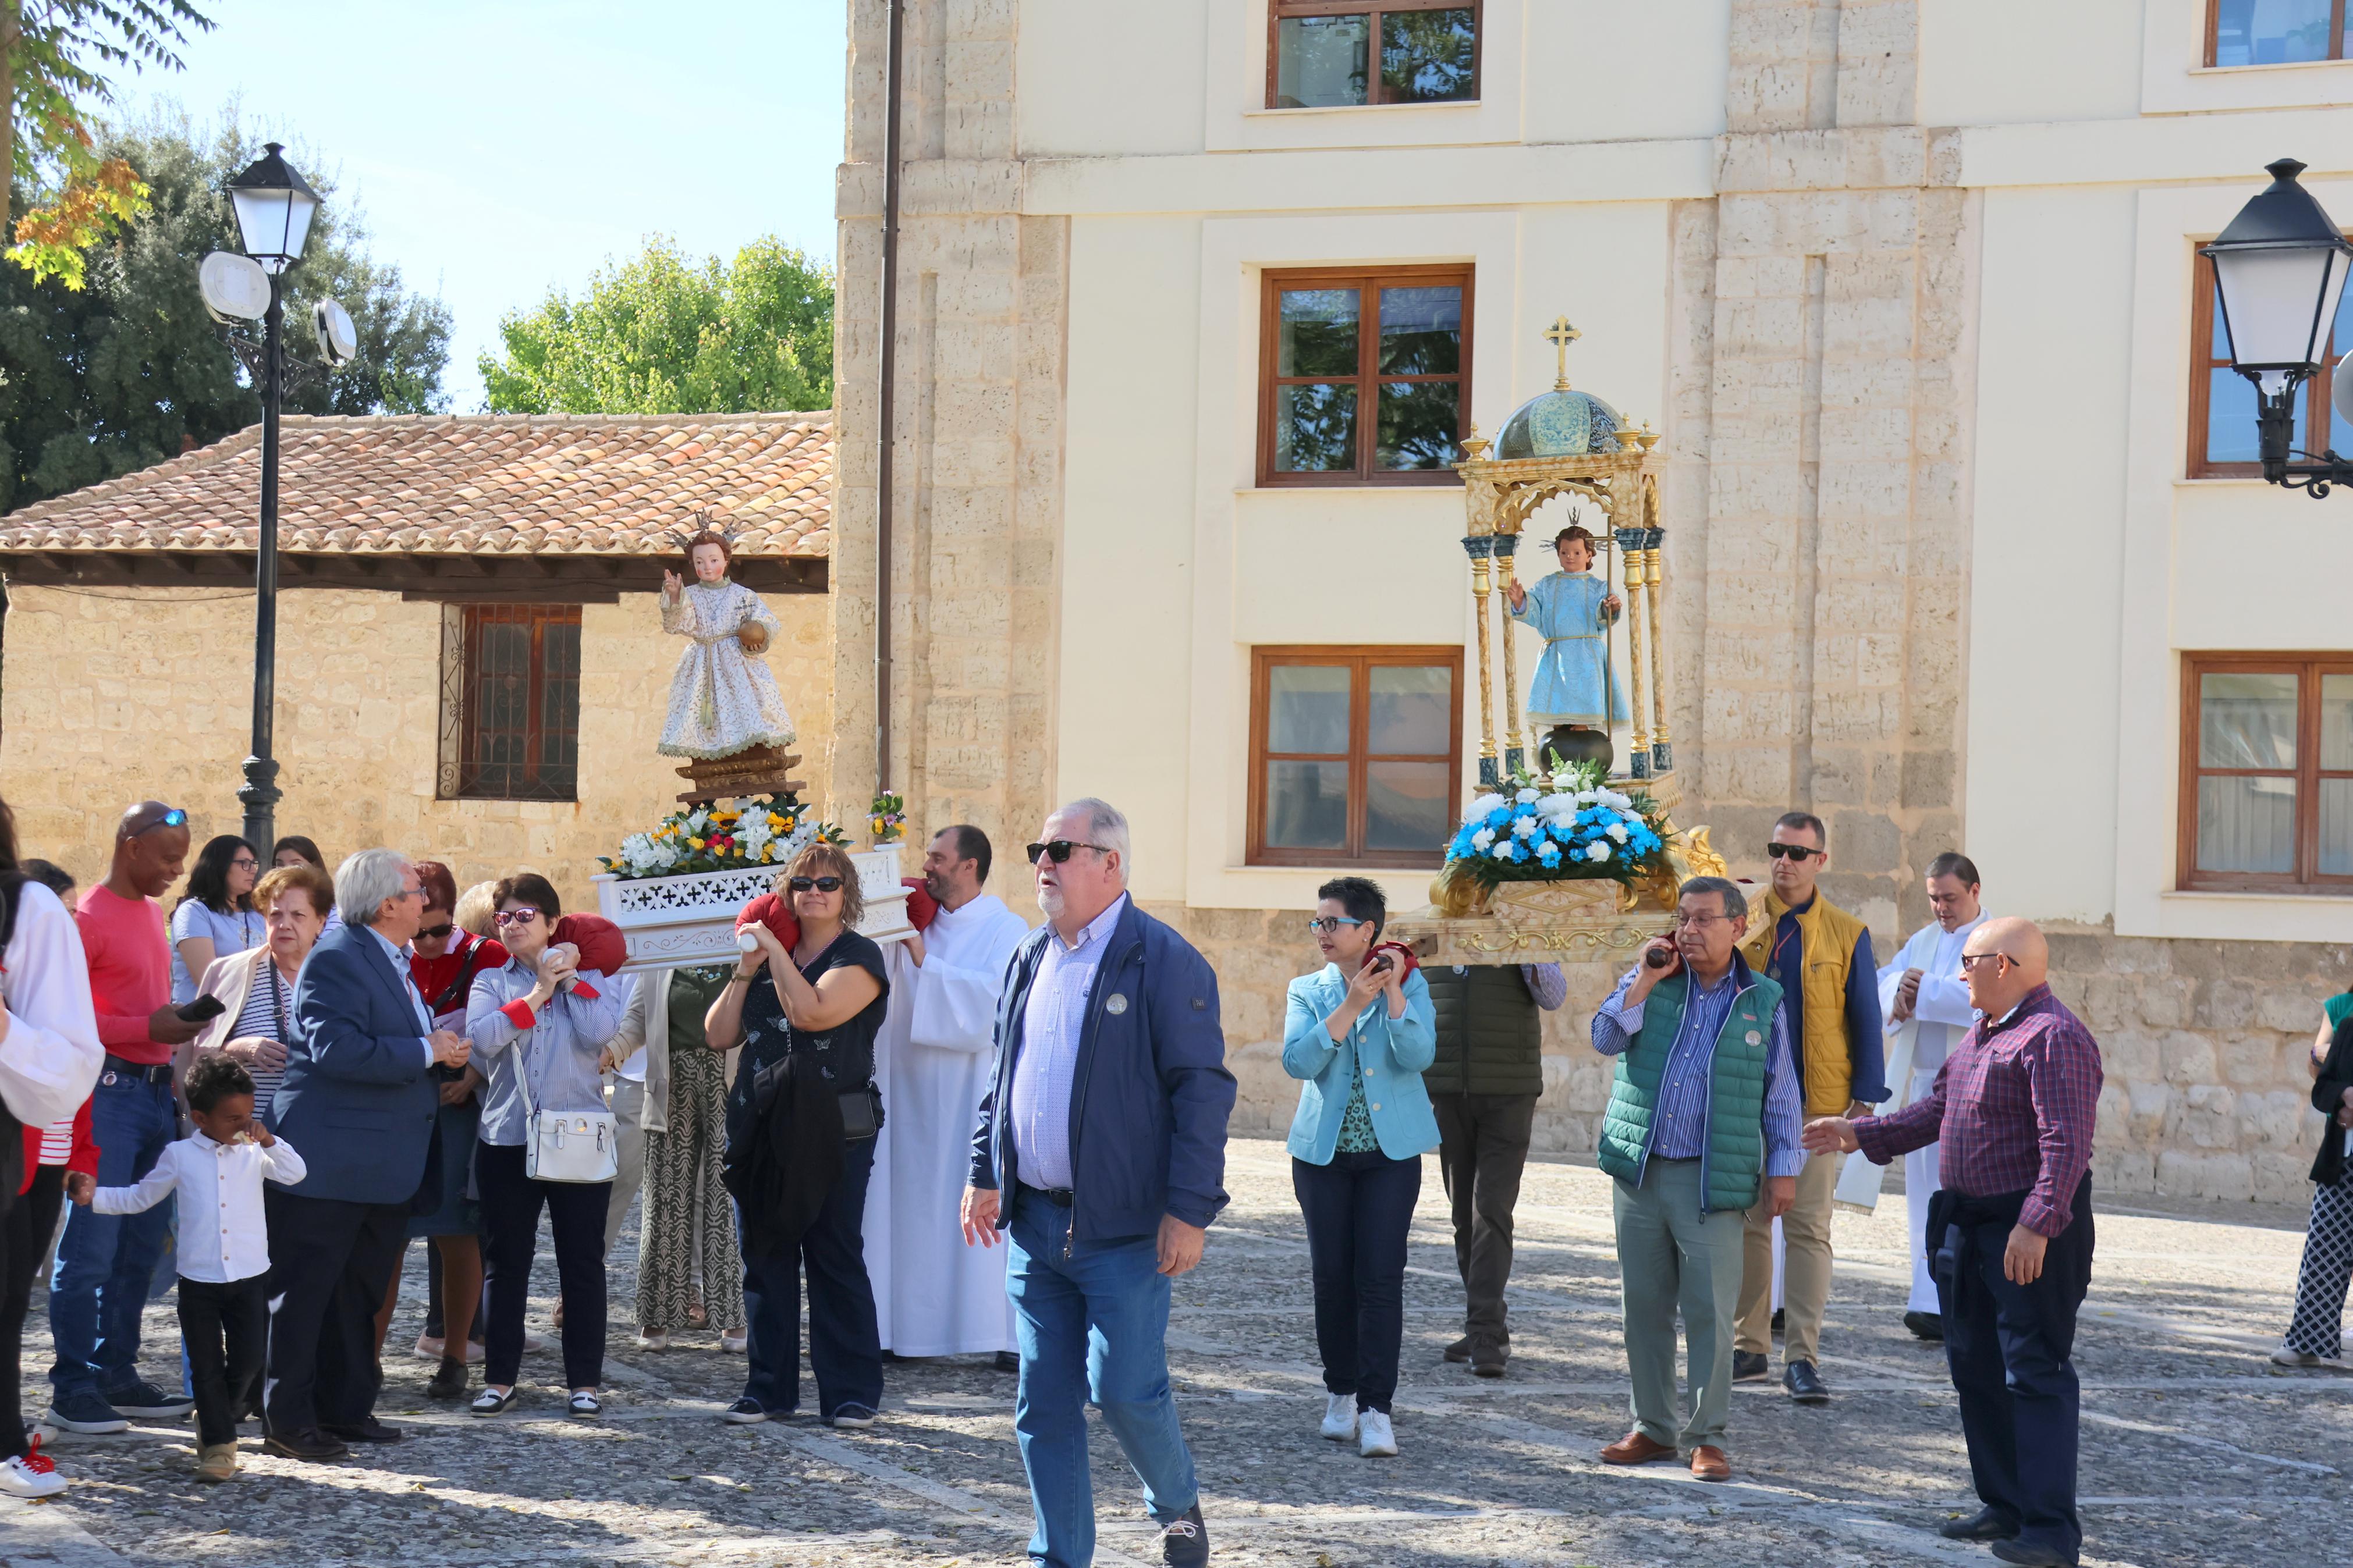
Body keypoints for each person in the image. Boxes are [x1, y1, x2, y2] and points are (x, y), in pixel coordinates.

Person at [961, 798, 1235, 1568]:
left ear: (1110, 863)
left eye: (1060, 849)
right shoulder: (1029, 954)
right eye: (1037, 850)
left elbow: (1202, 1091)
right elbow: (1001, 1076)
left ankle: (1175, 1503)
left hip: (1122, 1229)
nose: (1042, 864)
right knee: (1042, 1404)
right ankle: (1058, 1556)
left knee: (1124, 1390)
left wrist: (1189, 1209)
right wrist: (985, 1170)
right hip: (1034, 1224)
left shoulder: (1164, 959)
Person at [1805, 917, 2101, 1568]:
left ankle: (2050, 1531)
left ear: (2005, 965)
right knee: (1976, 1371)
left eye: (1968, 961)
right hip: (1967, 1224)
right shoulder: (1983, 1031)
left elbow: (2065, 1143)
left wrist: (2036, 1223)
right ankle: (2005, 1504)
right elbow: (1939, 1109)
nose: (1959, 972)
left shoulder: (2052, 1036)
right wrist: (1860, 1134)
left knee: (2034, 1373)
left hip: (2024, 1229)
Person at [1589, 876, 1802, 1483]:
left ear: (1738, 927)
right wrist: (1643, 977)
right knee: (1643, 1307)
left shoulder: (1762, 998)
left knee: (1710, 1311)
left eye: (1703, 919)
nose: (1688, 930)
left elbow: (1781, 1092)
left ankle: (1706, 1435)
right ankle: (1652, 1427)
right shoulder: (1652, 980)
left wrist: (1783, 1168)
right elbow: (1604, 1037)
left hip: (1710, 1179)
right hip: (1640, 1170)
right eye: (1683, 918)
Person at [265, 849, 471, 1461]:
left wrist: (439, 1051)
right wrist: (427, 1050)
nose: (424, 901)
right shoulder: (337, 956)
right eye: (415, 891)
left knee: (356, 1295)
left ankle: (345, 1408)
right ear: (386, 905)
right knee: (305, 1296)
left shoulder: (390, 957)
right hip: (328, 1163)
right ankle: (288, 1419)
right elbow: (338, 1050)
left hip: (377, 1166)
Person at [710, 845, 891, 1426]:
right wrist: (747, 967)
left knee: (834, 1254)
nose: (814, 891)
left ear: (846, 894)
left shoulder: (858, 955)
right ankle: (768, 1389)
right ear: (786, 893)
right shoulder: (768, 954)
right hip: (760, 1124)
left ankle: (851, 1393)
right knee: (764, 1256)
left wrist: (773, 953)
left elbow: (810, 1013)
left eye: (828, 883)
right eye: (802, 883)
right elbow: (718, 1034)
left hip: (833, 1128)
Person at [74, 1054, 306, 1482]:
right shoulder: (179, 1155)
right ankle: (219, 1446)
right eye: (233, 1118)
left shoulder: (255, 1152)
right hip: (199, 1281)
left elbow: (295, 1174)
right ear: (200, 1118)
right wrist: (94, 1198)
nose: (245, 1124)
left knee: (250, 1360)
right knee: (205, 1365)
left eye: (249, 1115)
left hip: (251, 1276)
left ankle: (217, 1414)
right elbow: (140, 1197)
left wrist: (270, 1141)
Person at [47, 801, 202, 1435]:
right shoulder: (87, 919)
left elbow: (138, 1002)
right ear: (130, 846)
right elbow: (68, 1016)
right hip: (108, 1094)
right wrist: (147, 1027)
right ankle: (72, 1385)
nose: (177, 870)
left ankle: (117, 1372)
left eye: (182, 858)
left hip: (154, 1093)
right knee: (91, 1247)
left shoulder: (146, 911)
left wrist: (171, 1025)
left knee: (141, 1246)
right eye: (168, 857)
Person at [1732, 810, 1886, 1403]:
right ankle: (1749, 1346)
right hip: (1746, 1098)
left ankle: (1802, 1356)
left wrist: (1863, 1101)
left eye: (1797, 853)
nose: (1784, 862)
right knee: (1749, 1223)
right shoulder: (1743, 922)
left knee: (1808, 1229)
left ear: (1820, 860)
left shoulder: (1848, 932)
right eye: (1776, 850)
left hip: (1815, 1104)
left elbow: (1865, 1018)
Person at [1282, 876, 1435, 1460]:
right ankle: (1340, 1393)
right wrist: (1349, 1004)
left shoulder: (1411, 984)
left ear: (1367, 929)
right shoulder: (1307, 989)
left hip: (1389, 1158)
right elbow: (1297, 1061)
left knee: (1380, 1278)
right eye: (1317, 922)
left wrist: (1392, 992)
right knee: (1331, 1278)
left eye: (1333, 922)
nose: (1321, 932)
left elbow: (1418, 1054)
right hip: (1321, 1157)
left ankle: (1376, 1409)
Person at [465, 872, 620, 1418]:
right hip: (508, 1136)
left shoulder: (591, 977)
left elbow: (600, 1032)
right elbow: (483, 1039)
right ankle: (500, 1378)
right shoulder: (491, 981)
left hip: (576, 1136)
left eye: (524, 915)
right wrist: (537, 992)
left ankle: (585, 1382)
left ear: (553, 922)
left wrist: (568, 980)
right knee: (506, 1262)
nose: (512, 924)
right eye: (503, 917)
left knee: (582, 1262)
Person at [879, 824, 1028, 1364]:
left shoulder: (1007, 928)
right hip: (907, 1091)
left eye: (938, 859)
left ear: (970, 866)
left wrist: (924, 959)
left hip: (971, 1096)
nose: (927, 868)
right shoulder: (911, 920)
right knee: (911, 1209)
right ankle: (903, 1330)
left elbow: (993, 1006)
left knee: (978, 1215)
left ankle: (997, 1334)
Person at [0, 802, 106, 1499]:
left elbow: (72, 1062)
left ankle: (5, 1443)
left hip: (21, 1143)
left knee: (8, 1297)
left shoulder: (26, 908)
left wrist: (4, 1028)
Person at [1422, 955, 1567, 1377]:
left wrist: (1523, 949)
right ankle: (1488, 1324)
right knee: (1462, 1215)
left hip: (1509, 1088)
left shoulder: (1521, 936)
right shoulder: (1433, 937)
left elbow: (1553, 995)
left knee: (1490, 1208)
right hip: (1448, 1087)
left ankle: (1484, 1331)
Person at [393, 862, 498, 1399]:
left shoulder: (486, 955)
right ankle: (366, 1361)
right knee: (388, 1236)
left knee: (457, 1233)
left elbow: (510, 1021)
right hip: (401, 1106)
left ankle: (456, 1354)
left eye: (438, 931)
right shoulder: (393, 956)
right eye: (421, 933)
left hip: (459, 1108)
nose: (429, 943)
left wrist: (472, 1074)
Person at [1873, 852, 1988, 1342]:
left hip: (1975, 1091)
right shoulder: (1921, 940)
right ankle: (1927, 1300)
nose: (1941, 907)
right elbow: (1883, 981)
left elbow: (1982, 998)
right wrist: (1899, 989)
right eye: (1934, 898)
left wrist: (1921, 990)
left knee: (1960, 1197)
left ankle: (1960, 1299)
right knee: (1922, 1196)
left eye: (1950, 897)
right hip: (1924, 1086)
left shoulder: (1993, 941)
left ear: (1974, 891)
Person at [613, 962, 746, 1351]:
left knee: (726, 1201)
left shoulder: (748, 952)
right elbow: (636, 1020)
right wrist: (610, 1052)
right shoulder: (664, 952)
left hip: (731, 1085)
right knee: (663, 1200)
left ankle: (733, 1318)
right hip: (670, 1084)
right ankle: (657, 1316)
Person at [191, 862, 334, 1121]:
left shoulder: (340, 979)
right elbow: (198, 1054)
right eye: (275, 915)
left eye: (298, 915)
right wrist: (238, 1048)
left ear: (320, 923)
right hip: (244, 1134)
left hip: (320, 1127)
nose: (285, 924)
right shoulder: (228, 974)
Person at [658, 526, 796, 760]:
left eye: (714, 560)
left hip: (738, 663)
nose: (707, 567)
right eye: (700, 562)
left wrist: (757, 638)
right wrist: (674, 597)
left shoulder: (743, 595)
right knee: (703, 711)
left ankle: (751, 749)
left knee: (747, 705)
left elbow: (768, 622)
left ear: (726, 560)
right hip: (702, 664)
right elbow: (676, 625)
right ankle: (707, 755)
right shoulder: (689, 595)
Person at [2271, 987, 2353, 1371]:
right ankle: (2307, 1341)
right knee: (2324, 1246)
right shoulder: (2348, 1024)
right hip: (2343, 1157)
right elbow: (2323, 1085)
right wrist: (2344, 1097)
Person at [1506, 524, 1628, 769]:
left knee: (1585, 695)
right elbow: (1535, 612)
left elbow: (1605, 617)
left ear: (1589, 555)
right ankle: (1559, 731)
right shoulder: (1548, 585)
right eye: (1564, 552)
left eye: (1577, 552)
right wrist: (1520, 601)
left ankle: (1582, 729)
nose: (1570, 557)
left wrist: (1612, 607)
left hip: (1587, 653)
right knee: (1559, 702)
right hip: (1557, 653)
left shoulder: (1599, 587)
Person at [168, 835, 261, 1007]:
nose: (253, 871)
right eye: (244, 863)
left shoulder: (256, 915)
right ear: (221, 866)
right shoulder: (194, 912)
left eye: (254, 864)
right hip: (207, 1018)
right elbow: (207, 980)